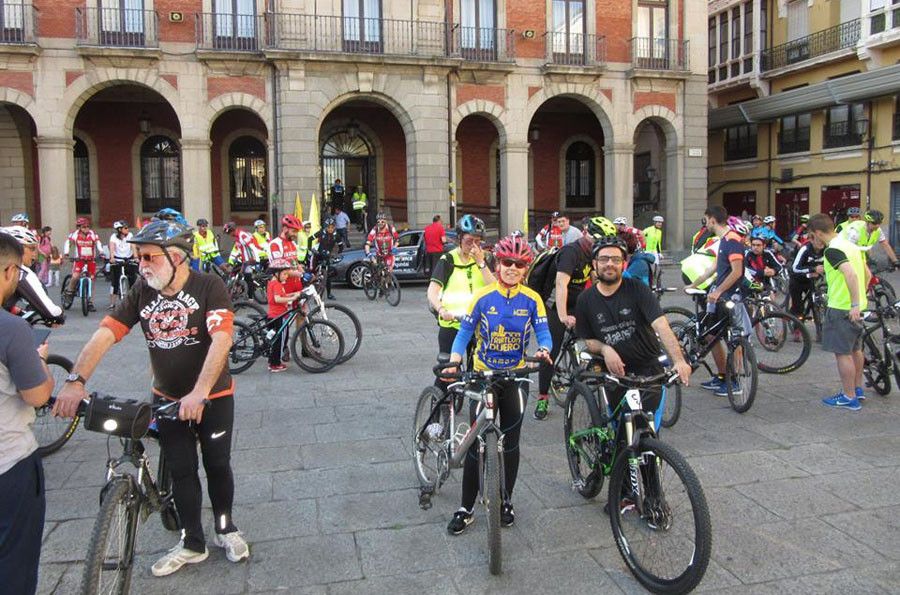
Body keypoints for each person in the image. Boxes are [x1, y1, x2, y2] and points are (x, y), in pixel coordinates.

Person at [53, 219, 250, 576]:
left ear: (177, 257)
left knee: (217, 464)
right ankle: (192, 542)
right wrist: (75, 380)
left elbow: (222, 339)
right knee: (182, 468)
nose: (141, 265)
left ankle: (225, 527)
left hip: (213, 397)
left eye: (148, 257)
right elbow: (105, 333)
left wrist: (200, 392)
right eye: (138, 257)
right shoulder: (142, 291)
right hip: (168, 398)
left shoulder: (209, 286)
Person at [444, 234, 552, 535]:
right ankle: (466, 508)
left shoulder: (532, 299)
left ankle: (506, 500)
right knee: (478, 445)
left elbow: (543, 332)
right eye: (507, 262)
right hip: (483, 375)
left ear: (525, 268)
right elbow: (464, 333)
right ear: (497, 263)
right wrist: (455, 359)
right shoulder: (482, 297)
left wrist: (545, 349)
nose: (512, 268)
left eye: (519, 264)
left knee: (512, 442)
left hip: (517, 375)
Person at [575, 235, 691, 410]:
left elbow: (661, 325)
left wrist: (679, 360)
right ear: (594, 264)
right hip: (613, 372)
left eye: (616, 259)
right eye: (604, 259)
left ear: (624, 264)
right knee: (619, 428)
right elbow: (589, 340)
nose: (609, 264)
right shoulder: (585, 299)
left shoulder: (638, 290)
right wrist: (606, 349)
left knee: (646, 426)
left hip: (648, 369)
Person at [0, 232, 53, 595]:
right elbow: (37, 395)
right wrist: (41, 361)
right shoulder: (12, 330)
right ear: (9, 271)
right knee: (14, 567)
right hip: (9, 464)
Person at [534, 216, 617, 420]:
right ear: (587, 233)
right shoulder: (572, 252)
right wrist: (563, 316)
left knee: (597, 338)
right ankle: (543, 398)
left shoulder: (595, 253)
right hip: (555, 304)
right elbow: (561, 284)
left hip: (577, 301)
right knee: (550, 350)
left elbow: (596, 280)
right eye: (597, 240)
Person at [685, 205, 753, 397]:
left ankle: (735, 381)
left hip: (731, 297)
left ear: (712, 220)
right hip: (721, 296)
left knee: (734, 339)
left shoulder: (732, 240)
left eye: (706, 220)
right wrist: (693, 284)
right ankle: (723, 376)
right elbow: (714, 268)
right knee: (711, 336)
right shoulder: (723, 240)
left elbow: (737, 271)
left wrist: (719, 291)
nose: (705, 224)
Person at [807, 213, 868, 410]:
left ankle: (849, 397)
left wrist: (854, 304)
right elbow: (867, 274)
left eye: (810, 236)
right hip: (856, 308)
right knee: (856, 350)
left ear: (817, 233)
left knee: (842, 353)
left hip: (842, 307)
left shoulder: (832, 250)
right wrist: (860, 300)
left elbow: (849, 273)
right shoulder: (850, 245)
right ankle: (857, 389)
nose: (811, 241)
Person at [427, 214, 493, 389]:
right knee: (449, 369)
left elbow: (494, 288)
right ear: (459, 239)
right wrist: (441, 309)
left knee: (478, 373)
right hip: (452, 323)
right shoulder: (448, 260)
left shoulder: (485, 259)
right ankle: (441, 403)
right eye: (469, 241)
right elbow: (432, 291)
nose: (473, 246)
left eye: (478, 242)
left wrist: (481, 263)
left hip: (478, 324)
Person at [1, 227, 65, 324]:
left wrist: (14, 309)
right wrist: (59, 315)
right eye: (32, 248)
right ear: (18, 247)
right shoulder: (20, 270)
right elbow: (51, 312)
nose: (35, 254)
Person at [266, 259, 301, 373]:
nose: (287, 276)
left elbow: (282, 295)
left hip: (276, 315)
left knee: (276, 340)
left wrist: (293, 294)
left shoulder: (275, 283)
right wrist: (292, 298)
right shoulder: (276, 284)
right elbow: (278, 299)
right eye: (285, 274)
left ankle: (272, 361)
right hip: (278, 316)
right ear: (277, 273)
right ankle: (275, 364)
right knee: (279, 341)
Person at [63, 217, 103, 311]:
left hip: (90, 260)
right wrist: (66, 253)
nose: (86, 228)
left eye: (87, 226)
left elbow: (98, 243)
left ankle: (90, 302)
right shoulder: (75, 235)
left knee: (92, 280)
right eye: (83, 227)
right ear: (79, 227)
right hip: (79, 260)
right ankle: (69, 292)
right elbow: (68, 243)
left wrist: (101, 252)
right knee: (75, 276)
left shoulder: (92, 234)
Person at [788, 237, 824, 341]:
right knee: (798, 307)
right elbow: (795, 268)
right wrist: (813, 269)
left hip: (811, 280)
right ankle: (797, 329)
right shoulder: (805, 249)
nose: (821, 243)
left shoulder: (826, 249)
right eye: (819, 240)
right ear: (812, 240)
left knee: (815, 304)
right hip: (797, 280)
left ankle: (820, 331)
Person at [223, 221, 262, 293]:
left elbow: (252, 247)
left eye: (228, 233)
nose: (229, 235)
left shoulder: (242, 235)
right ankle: (241, 290)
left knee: (247, 277)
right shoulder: (237, 237)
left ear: (232, 230)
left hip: (251, 259)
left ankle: (250, 297)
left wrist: (257, 259)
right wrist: (237, 256)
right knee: (238, 271)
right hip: (245, 259)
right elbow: (241, 249)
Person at [107, 221, 137, 310]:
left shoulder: (130, 235)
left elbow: (133, 246)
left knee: (133, 280)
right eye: (125, 228)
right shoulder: (113, 237)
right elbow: (112, 247)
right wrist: (112, 257)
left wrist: (136, 257)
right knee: (115, 282)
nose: (128, 229)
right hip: (117, 260)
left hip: (129, 259)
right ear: (119, 230)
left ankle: (134, 302)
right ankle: (112, 303)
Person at [312, 217, 344, 300]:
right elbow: (310, 239)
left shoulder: (336, 235)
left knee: (328, 276)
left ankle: (329, 294)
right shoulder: (321, 232)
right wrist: (310, 249)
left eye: (332, 227)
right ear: (325, 227)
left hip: (327, 256)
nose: (330, 229)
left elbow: (341, 246)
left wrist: (337, 254)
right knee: (312, 271)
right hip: (318, 254)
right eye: (328, 227)